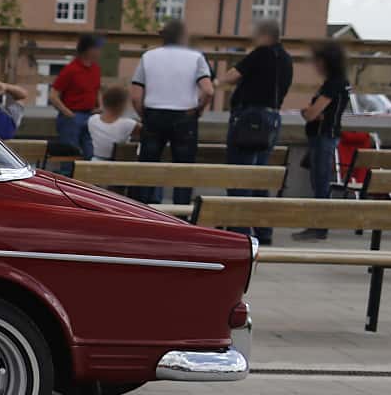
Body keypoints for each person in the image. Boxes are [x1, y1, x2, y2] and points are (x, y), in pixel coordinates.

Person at [216, 21, 293, 242]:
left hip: (250, 119)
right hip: (272, 119)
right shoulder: (286, 58)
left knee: (240, 176)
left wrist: (215, 82)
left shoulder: (261, 53)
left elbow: (234, 73)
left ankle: (240, 233)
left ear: (265, 36)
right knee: (260, 176)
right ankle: (263, 231)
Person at [131, 19, 213, 206]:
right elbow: (208, 90)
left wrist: (144, 114)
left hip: (154, 114)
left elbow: (135, 95)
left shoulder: (148, 57)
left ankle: (140, 212)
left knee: (146, 168)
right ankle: (181, 215)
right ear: (183, 37)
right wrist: (198, 109)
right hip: (185, 116)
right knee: (183, 171)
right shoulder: (196, 57)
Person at [292, 41, 352, 240]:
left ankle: (319, 226)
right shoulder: (338, 82)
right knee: (320, 181)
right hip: (324, 135)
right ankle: (318, 225)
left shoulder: (333, 84)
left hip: (323, 136)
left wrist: (308, 111)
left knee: (320, 182)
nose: (315, 65)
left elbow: (312, 113)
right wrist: (309, 112)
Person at [48, 34, 103, 156]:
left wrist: (99, 106)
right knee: (70, 154)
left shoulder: (96, 69)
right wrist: (67, 112)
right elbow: (53, 94)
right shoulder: (71, 70)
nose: (100, 51)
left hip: (90, 115)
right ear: (89, 50)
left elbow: (96, 89)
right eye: (97, 48)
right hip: (73, 116)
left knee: (90, 152)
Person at [87, 85, 138, 160]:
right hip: (117, 164)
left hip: (96, 161)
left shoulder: (93, 120)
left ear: (103, 102)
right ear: (122, 105)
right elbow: (148, 133)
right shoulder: (128, 123)